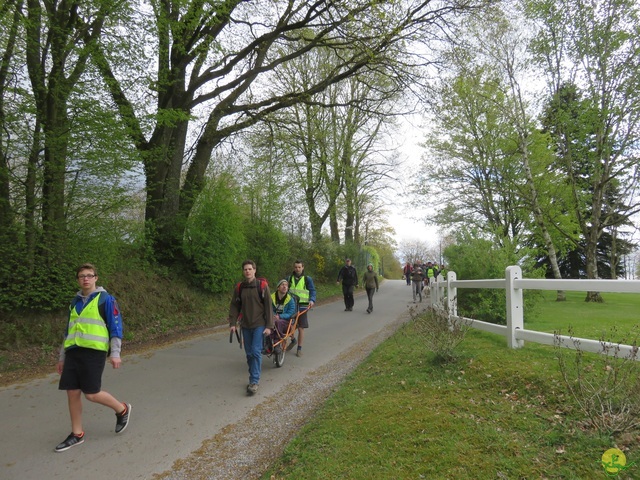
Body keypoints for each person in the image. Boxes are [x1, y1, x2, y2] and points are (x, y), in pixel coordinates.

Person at [55, 263, 131, 453]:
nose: (86, 279)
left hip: (93, 352)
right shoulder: (74, 302)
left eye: (89, 275)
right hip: (73, 352)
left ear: (96, 278)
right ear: (78, 279)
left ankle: (122, 409)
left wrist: (115, 352)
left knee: (91, 394)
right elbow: (68, 331)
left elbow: (116, 327)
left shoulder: (106, 299)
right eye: (82, 276)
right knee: (72, 392)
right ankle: (77, 434)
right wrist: (62, 357)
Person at [228, 260, 274, 396]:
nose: (247, 271)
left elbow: (268, 307)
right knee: (249, 354)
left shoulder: (262, 286)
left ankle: (254, 381)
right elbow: (234, 306)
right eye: (245, 269)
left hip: (259, 324)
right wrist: (232, 323)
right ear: (243, 271)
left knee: (255, 352)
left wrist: (269, 326)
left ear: (255, 270)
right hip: (245, 325)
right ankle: (252, 377)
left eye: (250, 269)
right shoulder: (239, 288)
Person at [288, 260, 316, 357]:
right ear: (294, 268)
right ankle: (292, 340)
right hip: (291, 305)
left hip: (303, 305)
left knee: (300, 328)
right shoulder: (289, 278)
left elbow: (312, 290)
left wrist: (312, 300)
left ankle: (299, 349)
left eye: (299, 267)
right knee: (289, 326)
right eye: (296, 267)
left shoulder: (307, 279)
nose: (297, 269)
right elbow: (284, 290)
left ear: (303, 267)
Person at [271, 279, 297, 349]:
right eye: (282, 285)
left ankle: (277, 342)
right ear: (278, 287)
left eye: (286, 285)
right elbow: (268, 308)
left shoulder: (290, 299)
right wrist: (273, 315)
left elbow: (291, 312)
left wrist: (279, 316)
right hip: (272, 319)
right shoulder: (271, 297)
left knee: (278, 322)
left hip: (286, 322)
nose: (285, 287)